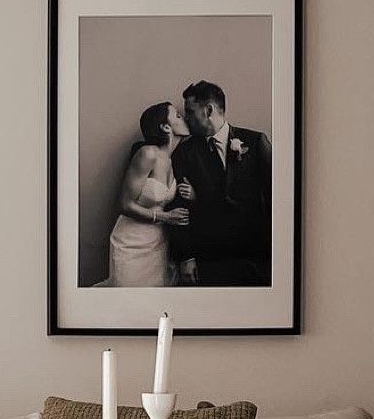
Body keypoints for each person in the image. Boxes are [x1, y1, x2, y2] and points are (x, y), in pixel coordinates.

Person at [171, 80, 272, 286]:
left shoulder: (254, 141)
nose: (187, 118)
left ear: (208, 110)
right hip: (209, 256)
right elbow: (179, 206)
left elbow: (277, 195)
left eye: (190, 111)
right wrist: (186, 257)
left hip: (256, 253)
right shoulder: (185, 152)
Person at [103, 101, 191, 286]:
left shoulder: (174, 159)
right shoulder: (148, 154)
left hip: (158, 245)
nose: (184, 118)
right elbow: (125, 204)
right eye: (178, 116)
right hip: (132, 244)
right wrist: (165, 217)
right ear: (165, 127)